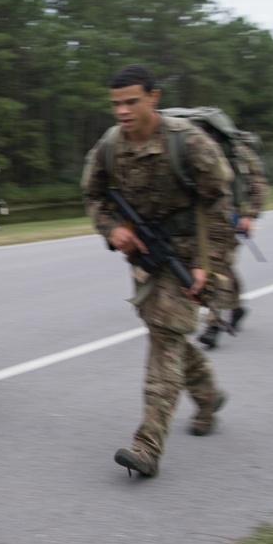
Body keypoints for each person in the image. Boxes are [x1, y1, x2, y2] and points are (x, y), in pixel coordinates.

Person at [81, 64, 232, 478]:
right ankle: (208, 394)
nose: (123, 111)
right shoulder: (110, 146)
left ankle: (147, 446)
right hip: (147, 256)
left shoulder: (190, 143)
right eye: (116, 104)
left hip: (190, 256)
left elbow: (219, 204)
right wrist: (113, 230)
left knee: (165, 340)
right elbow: (93, 195)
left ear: (153, 97)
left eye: (132, 101)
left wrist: (210, 267)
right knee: (167, 332)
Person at [197, 139, 270, 348]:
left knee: (217, 268)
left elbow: (258, 184)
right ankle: (236, 307)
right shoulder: (184, 147)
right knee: (223, 267)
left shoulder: (237, 152)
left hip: (227, 218)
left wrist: (250, 215)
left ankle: (213, 324)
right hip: (198, 218)